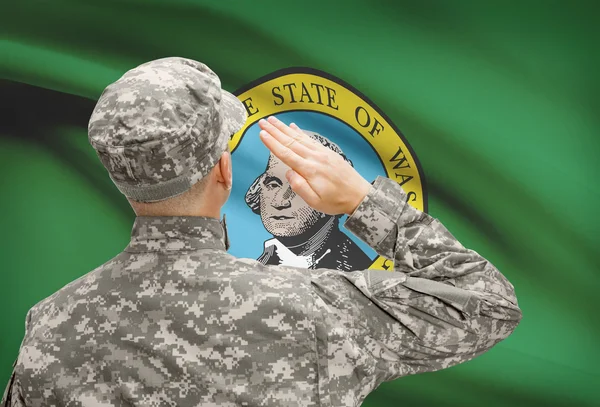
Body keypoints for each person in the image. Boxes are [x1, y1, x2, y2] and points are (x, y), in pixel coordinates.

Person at [1, 57, 522, 407]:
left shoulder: (50, 327)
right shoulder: (318, 309)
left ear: (120, 177)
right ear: (226, 173)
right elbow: (487, 305)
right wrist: (366, 202)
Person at [245, 129, 372, 271]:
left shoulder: (358, 273)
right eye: (273, 184)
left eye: (301, 187)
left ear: (334, 198)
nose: (280, 201)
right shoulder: (261, 260)